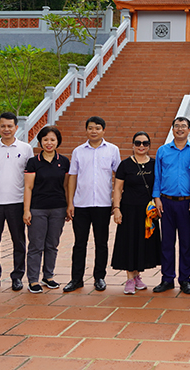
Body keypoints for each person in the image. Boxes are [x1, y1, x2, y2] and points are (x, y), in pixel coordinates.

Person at [64, 116, 121, 293]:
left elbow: (119, 176)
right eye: (90, 128)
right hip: (81, 204)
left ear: (103, 130)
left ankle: (99, 277)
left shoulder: (112, 150)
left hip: (103, 204)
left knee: (101, 243)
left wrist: (116, 200)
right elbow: (72, 177)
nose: (94, 131)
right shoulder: (78, 151)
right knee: (79, 243)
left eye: (97, 128)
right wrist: (70, 202)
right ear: (86, 130)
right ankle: (76, 279)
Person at [0, 112, 33, 293]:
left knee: (18, 241)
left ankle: (17, 276)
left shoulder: (26, 149)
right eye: (3, 126)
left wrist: (28, 204)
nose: (6, 129)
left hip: (17, 202)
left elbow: (29, 179)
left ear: (16, 128)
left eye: (10, 126)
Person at [112, 132, 161, 294]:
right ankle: (129, 278)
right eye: (138, 143)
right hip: (129, 210)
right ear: (133, 145)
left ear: (149, 146)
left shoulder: (154, 164)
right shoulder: (125, 165)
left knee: (143, 243)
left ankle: (138, 275)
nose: (141, 146)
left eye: (145, 143)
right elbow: (118, 188)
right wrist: (117, 208)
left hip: (148, 212)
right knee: (129, 242)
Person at [152, 117, 190, 295]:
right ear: (172, 129)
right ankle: (167, 278)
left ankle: (185, 280)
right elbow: (158, 175)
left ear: (189, 130)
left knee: (186, 243)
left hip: (187, 203)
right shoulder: (163, 151)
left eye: (183, 126)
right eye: (177, 126)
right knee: (167, 243)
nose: (180, 129)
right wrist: (156, 197)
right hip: (166, 202)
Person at [23, 125, 70, 293]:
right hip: (38, 209)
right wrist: (26, 210)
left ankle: (48, 276)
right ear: (40, 142)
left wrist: (68, 206)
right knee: (36, 245)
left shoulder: (63, 161)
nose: (49, 143)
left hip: (58, 208)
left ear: (58, 141)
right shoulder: (34, 162)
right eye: (45, 140)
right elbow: (28, 187)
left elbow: (66, 186)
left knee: (52, 244)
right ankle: (33, 280)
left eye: (52, 140)